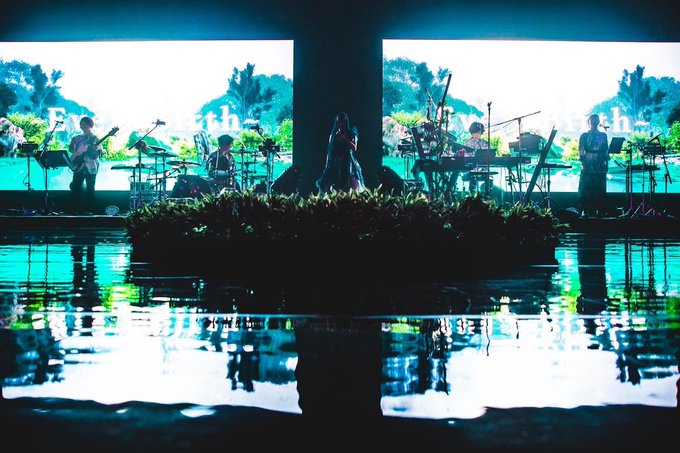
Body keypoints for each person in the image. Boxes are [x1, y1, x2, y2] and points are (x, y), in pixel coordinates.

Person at [315, 112, 365, 194]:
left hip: (347, 161)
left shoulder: (351, 133)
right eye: (339, 122)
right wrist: (327, 164)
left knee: (349, 182)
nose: (341, 125)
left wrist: (344, 138)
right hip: (335, 162)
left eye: (343, 122)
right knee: (332, 183)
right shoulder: (333, 135)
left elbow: (354, 148)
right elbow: (330, 151)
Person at [69, 116, 103, 214]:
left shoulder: (95, 139)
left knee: (90, 188)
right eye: (81, 124)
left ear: (90, 125)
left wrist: (95, 150)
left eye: (85, 124)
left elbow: (98, 154)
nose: (83, 126)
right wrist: (72, 144)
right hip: (78, 166)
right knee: (75, 187)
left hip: (91, 167)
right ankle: (73, 210)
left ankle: (90, 210)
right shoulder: (77, 138)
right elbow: (71, 150)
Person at [578, 114, 610, 217]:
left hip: (599, 163)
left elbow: (605, 150)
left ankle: (600, 210)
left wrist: (606, 164)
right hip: (588, 163)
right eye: (592, 120)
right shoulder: (584, 136)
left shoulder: (603, 135)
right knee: (586, 187)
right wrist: (583, 163)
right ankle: (585, 209)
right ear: (588, 122)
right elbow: (581, 150)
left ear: (598, 122)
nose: (594, 122)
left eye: (596, 120)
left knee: (600, 187)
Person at [459, 121, 491, 194]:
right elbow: (464, 157)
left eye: (478, 133)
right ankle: (472, 196)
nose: (476, 135)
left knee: (489, 177)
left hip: (483, 168)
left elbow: (490, 155)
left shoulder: (485, 143)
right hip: (469, 169)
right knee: (473, 176)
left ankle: (487, 196)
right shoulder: (466, 143)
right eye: (474, 133)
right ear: (471, 133)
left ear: (481, 133)